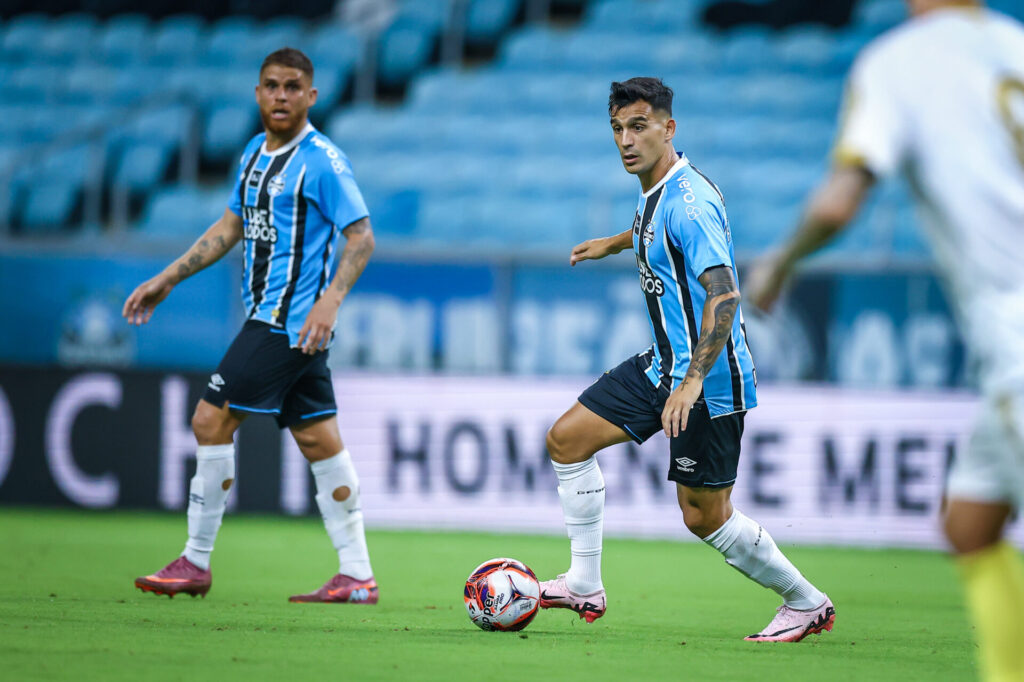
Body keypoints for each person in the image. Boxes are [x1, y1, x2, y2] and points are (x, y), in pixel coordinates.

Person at [745, 1, 1024, 677]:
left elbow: (841, 198)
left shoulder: (899, 61)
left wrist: (778, 263)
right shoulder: (1013, 42)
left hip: (1018, 326)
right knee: (970, 522)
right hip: (1007, 352)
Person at [538, 77, 835, 642]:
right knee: (567, 440)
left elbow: (724, 294)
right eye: (618, 129)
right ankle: (583, 583)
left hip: (709, 380)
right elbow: (656, 230)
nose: (626, 140)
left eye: (639, 126)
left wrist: (693, 379)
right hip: (662, 367)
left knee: (703, 515)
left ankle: (805, 601)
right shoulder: (659, 190)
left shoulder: (690, 203)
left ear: (669, 128)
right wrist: (615, 241)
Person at [124, 48, 379, 605]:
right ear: (257, 92)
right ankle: (357, 575)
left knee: (208, 421)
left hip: (286, 323)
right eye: (271, 85)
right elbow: (230, 226)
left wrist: (331, 300)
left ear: (312, 96)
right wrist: (168, 278)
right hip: (287, 327)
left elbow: (361, 236)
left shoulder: (322, 161)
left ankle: (194, 561)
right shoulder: (251, 155)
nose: (281, 96)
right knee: (319, 439)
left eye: (293, 87)